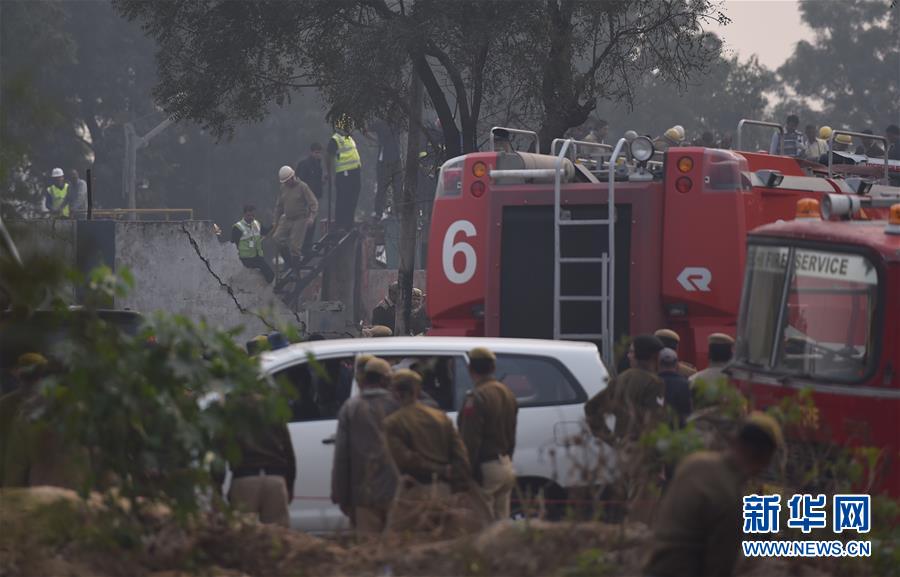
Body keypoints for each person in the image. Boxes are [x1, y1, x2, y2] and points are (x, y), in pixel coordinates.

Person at [643, 413, 783, 577]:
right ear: (764, 459)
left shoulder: (694, 463)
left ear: (736, 440)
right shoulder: (732, 499)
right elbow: (718, 570)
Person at [383, 369, 471, 529]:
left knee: (405, 543)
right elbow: (461, 455)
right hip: (445, 491)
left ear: (396, 393)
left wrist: (439, 470)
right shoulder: (441, 417)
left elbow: (405, 459)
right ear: (417, 391)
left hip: (414, 493)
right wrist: (459, 486)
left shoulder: (393, 423)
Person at [331, 357, 400, 533]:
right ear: (386, 380)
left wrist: (341, 495)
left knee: (368, 549)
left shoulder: (351, 408)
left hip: (364, 495)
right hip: (396, 492)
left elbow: (342, 457)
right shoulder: (398, 405)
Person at [457, 347, 518, 520]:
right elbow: (512, 431)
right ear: (493, 368)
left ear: (470, 369)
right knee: (501, 528)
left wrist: (466, 471)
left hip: (485, 468)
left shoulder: (476, 397)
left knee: (481, 527)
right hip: (505, 464)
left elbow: (470, 439)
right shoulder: (506, 393)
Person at [223, 392, 297, 527]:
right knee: (278, 539)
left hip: (244, 478)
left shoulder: (230, 411)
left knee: (243, 538)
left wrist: (217, 486)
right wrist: (289, 485)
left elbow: (220, 450)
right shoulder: (272, 407)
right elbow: (288, 451)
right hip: (275, 479)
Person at [584, 334, 665, 441]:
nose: (628, 356)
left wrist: (610, 438)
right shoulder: (654, 383)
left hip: (623, 447)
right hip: (645, 450)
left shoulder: (622, 378)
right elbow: (655, 421)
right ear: (656, 356)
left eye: (632, 352)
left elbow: (591, 407)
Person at [273, 165, 318, 270]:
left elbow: (313, 203)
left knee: (295, 246)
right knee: (277, 238)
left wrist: (311, 217)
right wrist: (275, 221)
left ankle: (295, 271)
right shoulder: (283, 188)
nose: (286, 183)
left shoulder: (303, 187)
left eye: (287, 181)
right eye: (284, 182)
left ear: (292, 177)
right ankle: (289, 263)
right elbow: (279, 206)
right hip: (287, 218)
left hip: (300, 218)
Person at [327, 114, 362, 231]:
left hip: (355, 172)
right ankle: (341, 224)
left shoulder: (349, 138)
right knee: (343, 199)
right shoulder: (335, 139)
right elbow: (328, 156)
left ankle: (349, 223)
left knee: (353, 198)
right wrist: (329, 173)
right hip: (344, 173)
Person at [368, 119, 402, 220]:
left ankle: (398, 212)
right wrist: (376, 141)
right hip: (384, 161)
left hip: (396, 159)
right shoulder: (380, 123)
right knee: (382, 188)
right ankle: (379, 212)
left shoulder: (397, 122)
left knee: (398, 187)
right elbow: (366, 129)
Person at [231, 204, 274, 283]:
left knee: (270, 274)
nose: (251, 217)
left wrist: (274, 226)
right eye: (249, 215)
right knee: (268, 274)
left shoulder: (257, 224)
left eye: (253, 215)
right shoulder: (237, 228)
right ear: (244, 214)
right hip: (245, 258)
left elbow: (265, 232)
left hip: (256, 257)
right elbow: (233, 245)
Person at [295, 143, 324, 256]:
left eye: (319, 153)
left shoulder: (318, 166)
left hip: (314, 199)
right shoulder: (305, 164)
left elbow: (316, 182)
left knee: (312, 223)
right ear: (311, 152)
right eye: (316, 152)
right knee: (306, 224)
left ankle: (307, 246)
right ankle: (303, 247)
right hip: (306, 199)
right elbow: (300, 181)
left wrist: (322, 183)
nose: (318, 155)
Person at [657, 348, 692, 429]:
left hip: (658, 432)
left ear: (658, 363)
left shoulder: (652, 383)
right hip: (680, 434)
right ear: (676, 364)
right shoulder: (686, 384)